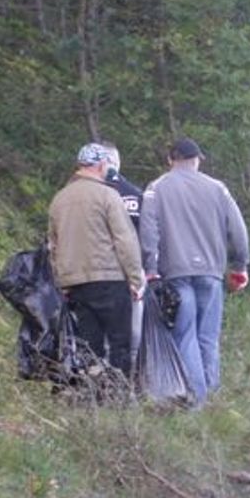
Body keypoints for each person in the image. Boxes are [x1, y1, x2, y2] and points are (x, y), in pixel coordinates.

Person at [139, 137, 250, 406]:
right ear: (197, 160)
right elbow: (238, 229)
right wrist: (240, 266)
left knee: (184, 336)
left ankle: (194, 403)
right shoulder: (218, 189)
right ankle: (211, 399)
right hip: (211, 274)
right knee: (208, 338)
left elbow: (148, 232)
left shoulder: (156, 189)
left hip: (174, 274)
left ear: (170, 160)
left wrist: (150, 269)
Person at [47, 143, 145, 378]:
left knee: (89, 346)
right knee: (120, 343)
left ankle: (92, 393)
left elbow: (53, 246)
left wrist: (62, 282)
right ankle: (117, 396)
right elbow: (125, 239)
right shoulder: (108, 195)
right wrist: (135, 278)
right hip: (110, 279)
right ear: (102, 165)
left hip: (77, 284)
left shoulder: (59, 199)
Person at [101, 142, 145, 366]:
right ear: (117, 163)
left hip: (93, 273)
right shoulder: (135, 194)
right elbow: (142, 238)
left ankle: (99, 383)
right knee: (131, 333)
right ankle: (129, 383)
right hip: (129, 272)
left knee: (98, 333)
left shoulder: (77, 194)